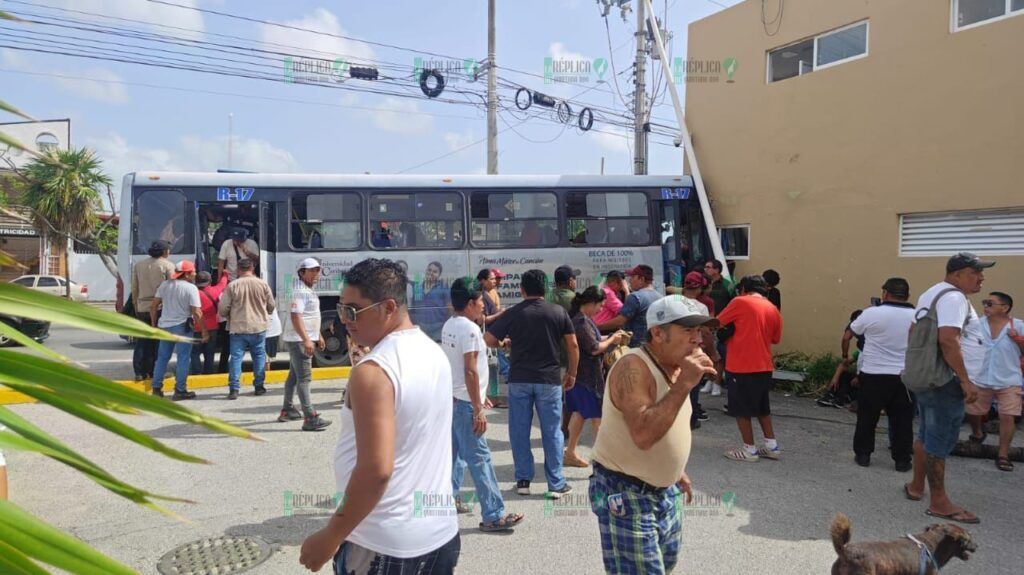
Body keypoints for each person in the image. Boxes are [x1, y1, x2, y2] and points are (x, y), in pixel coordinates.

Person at [298, 259, 459, 573]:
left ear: (387, 307)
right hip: (440, 535)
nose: (344, 320)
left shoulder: (373, 371)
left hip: (382, 546)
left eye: (352, 311)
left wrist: (331, 535)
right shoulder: (432, 351)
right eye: (342, 308)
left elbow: (375, 470)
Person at [589, 296, 718, 574]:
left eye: (700, 331)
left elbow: (671, 423)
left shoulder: (679, 367)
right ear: (658, 333)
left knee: (665, 564)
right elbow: (644, 434)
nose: (698, 339)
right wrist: (684, 384)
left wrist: (675, 470)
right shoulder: (632, 367)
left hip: (664, 490)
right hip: (626, 491)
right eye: (688, 330)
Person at [905, 252, 993, 525]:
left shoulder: (932, 293)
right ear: (956, 274)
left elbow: (913, 332)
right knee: (940, 440)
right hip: (944, 381)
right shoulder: (954, 298)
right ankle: (939, 501)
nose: (981, 278)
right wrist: (965, 380)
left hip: (926, 377)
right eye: (974, 272)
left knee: (926, 433)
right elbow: (948, 341)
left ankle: (917, 486)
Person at [484, 269, 579, 499]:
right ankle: (555, 484)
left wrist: (505, 343)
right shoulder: (557, 312)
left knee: (519, 430)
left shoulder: (514, 313)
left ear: (522, 290)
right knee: (552, 431)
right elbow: (573, 345)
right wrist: (572, 374)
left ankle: (523, 480)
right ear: (545, 289)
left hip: (519, 380)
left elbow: (488, 339)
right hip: (549, 380)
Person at [443, 279, 524, 532]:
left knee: (455, 456)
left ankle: (449, 500)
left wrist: (479, 395)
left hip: (456, 401)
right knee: (480, 459)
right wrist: (478, 407)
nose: (483, 308)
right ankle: (493, 515)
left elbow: (459, 369)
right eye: (480, 303)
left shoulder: (449, 325)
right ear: (469, 304)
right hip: (467, 405)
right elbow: (469, 370)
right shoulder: (469, 330)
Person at [848, 278, 916, 470]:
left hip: (873, 374)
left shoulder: (871, 313)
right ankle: (902, 460)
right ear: (908, 296)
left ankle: (863, 455)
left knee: (867, 416)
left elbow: (852, 332)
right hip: (904, 375)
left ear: (885, 293)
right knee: (902, 420)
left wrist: (846, 355)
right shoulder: (917, 315)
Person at [719, 275, 783, 462]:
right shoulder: (772, 308)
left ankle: (749, 450)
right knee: (763, 408)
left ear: (744, 288)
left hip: (741, 365)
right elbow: (775, 338)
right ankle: (772, 446)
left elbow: (718, 321)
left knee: (741, 409)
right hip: (764, 364)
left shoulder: (740, 302)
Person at [564, 287, 629, 467]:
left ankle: (571, 452)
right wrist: (612, 340)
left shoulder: (582, 319)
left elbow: (595, 340)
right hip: (587, 377)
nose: (601, 309)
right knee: (597, 418)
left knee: (581, 415)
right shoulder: (581, 322)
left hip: (583, 376)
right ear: (591, 303)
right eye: (600, 305)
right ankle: (604, 459)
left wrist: (612, 336)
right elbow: (594, 348)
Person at [965, 291, 1023, 472]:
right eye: (985, 303)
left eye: (990, 303)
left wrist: (1018, 340)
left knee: (1007, 416)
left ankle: (1003, 454)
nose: (985, 306)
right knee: (972, 411)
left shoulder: (1019, 326)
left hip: (1009, 379)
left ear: (1005, 308)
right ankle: (977, 432)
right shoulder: (976, 325)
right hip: (980, 377)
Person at [280, 258, 331, 431]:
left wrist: (318, 335)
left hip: (301, 338)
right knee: (304, 379)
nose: (316, 274)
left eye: (318, 270)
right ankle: (310, 417)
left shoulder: (307, 290)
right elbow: (296, 316)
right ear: (302, 273)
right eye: (312, 270)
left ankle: (287, 410)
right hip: (299, 340)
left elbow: (311, 316)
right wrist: (307, 339)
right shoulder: (300, 291)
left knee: (294, 376)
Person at [218, 259, 276, 400]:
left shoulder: (232, 286)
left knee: (236, 358)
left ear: (238, 269)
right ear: (252, 268)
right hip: (258, 327)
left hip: (238, 328)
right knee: (259, 356)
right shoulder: (262, 284)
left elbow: (222, 309)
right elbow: (271, 306)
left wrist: (230, 313)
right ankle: (259, 386)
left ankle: (234, 389)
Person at [150, 260, 208, 400]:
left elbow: (153, 306)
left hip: (164, 326)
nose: (195, 273)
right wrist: (204, 331)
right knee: (183, 358)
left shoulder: (164, 285)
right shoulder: (191, 288)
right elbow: (196, 312)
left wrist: (153, 325)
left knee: (162, 358)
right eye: (193, 271)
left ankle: (156, 389)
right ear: (187, 274)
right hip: (182, 327)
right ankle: (180, 390)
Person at [678, 273, 721, 428]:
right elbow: (706, 332)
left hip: (672, 350)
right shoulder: (701, 307)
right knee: (693, 384)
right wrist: (713, 354)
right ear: (700, 288)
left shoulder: (670, 302)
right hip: (693, 350)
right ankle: (691, 418)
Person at [131, 240, 175, 381]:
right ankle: (155, 371)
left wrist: (136, 306)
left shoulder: (139, 265)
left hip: (142, 307)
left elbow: (134, 288)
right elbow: (172, 289)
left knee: (142, 342)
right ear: (164, 252)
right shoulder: (168, 266)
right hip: (160, 308)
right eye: (168, 250)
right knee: (158, 342)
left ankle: (139, 372)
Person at [598, 264, 660, 347]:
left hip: (635, 346)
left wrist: (597, 327)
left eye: (632, 277)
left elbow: (619, 321)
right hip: (653, 345)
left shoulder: (635, 297)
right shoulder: (660, 297)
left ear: (641, 279)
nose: (629, 281)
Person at [190, 271, 228, 375]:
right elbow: (222, 284)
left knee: (194, 352)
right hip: (212, 328)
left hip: (196, 327)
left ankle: (197, 373)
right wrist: (225, 274)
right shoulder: (215, 291)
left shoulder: (192, 293)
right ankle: (208, 372)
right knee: (209, 353)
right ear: (210, 281)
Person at [411, 261, 450, 341]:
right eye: (429, 270)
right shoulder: (418, 288)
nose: (431, 273)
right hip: (420, 328)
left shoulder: (443, 287)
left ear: (439, 275)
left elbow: (449, 307)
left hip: (439, 328)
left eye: (435, 272)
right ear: (426, 271)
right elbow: (413, 307)